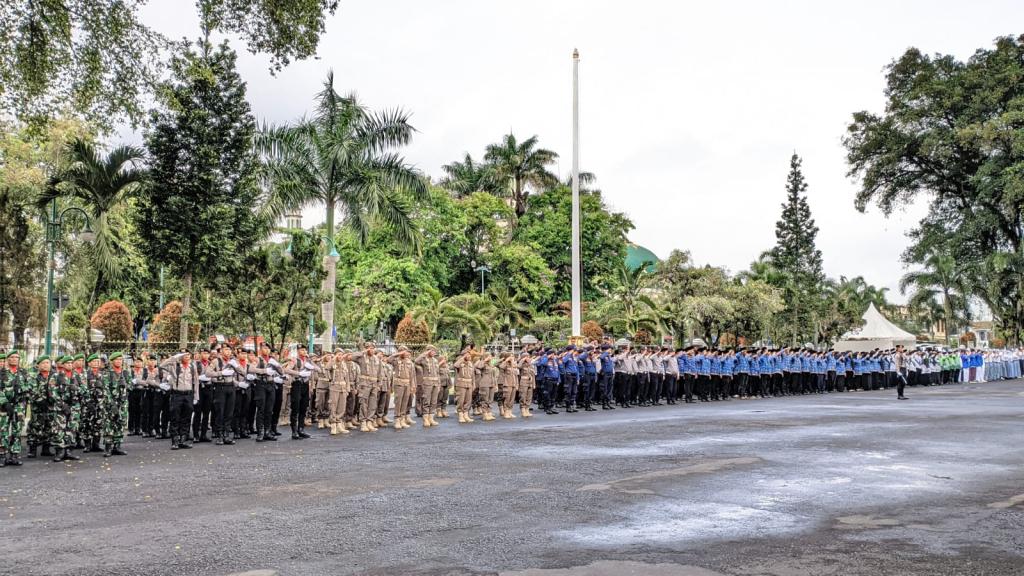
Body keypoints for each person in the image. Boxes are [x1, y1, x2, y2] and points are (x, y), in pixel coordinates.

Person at [160, 351, 200, 449]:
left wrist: (196, 396)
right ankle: (175, 441)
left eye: (189, 356)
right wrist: (173, 357)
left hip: (188, 395)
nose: (188, 357)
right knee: (175, 417)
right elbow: (162, 365)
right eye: (185, 356)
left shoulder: (192, 366)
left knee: (186, 418)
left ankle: (183, 440)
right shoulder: (174, 365)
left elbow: (196, 381)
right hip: (177, 395)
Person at [204, 345, 238, 446]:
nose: (228, 352)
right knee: (220, 412)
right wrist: (221, 373)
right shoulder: (216, 361)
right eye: (225, 350)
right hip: (220, 387)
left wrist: (236, 365)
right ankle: (219, 435)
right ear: (221, 351)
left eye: (229, 349)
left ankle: (226, 434)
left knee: (229, 412)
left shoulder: (233, 361)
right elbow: (208, 373)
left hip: (231, 387)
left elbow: (243, 372)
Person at [102, 352, 130, 457]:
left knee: (120, 424)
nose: (119, 361)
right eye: (117, 359)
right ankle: (108, 447)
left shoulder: (126, 373)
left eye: (120, 360)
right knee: (109, 424)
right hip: (111, 403)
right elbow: (105, 390)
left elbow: (131, 386)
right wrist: (111, 404)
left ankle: (117, 446)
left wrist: (126, 384)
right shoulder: (107, 374)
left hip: (122, 403)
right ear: (112, 361)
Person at [352, 343, 383, 432]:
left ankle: (370, 421)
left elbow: (380, 372)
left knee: (373, 404)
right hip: (364, 384)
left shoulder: (377, 359)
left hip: (374, 384)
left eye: (373, 348)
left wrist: (379, 384)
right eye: (369, 348)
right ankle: (363, 422)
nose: (371, 350)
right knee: (364, 403)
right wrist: (363, 352)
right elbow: (353, 356)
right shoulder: (361, 358)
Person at [388, 346, 416, 430]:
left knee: (405, 402)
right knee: (398, 402)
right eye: (404, 351)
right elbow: (389, 359)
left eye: (406, 351)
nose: (406, 353)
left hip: (407, 383)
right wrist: (398, 354)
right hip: (399, 383)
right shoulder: (396, 360)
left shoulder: (409, 362)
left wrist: (412, 385)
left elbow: (412, 375)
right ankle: (397, 419)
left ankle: (402, 419)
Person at [414, 346, 441, 428]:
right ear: (428, 351)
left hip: (435, 383)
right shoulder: (423, 359)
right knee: (426, 401)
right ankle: (425, 418)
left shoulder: (435, 360)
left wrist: (439, 383)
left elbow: (437, 373)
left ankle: (431, 418)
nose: (434, 352)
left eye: (434, 351)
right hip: (427, 383)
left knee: (433, 401)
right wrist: (424, 354)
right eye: (432, 351)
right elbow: (416, 361)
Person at [192, 348, 214, 442]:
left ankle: (203, 435)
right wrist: (198, 378)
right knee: (197, 412)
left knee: (206, 413)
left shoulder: (211, 364)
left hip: (209, 388)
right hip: (199, 388)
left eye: (207, 353)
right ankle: (196, 435)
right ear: (200, 354)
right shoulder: (195, 364)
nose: (205, 355)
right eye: (203, 353)